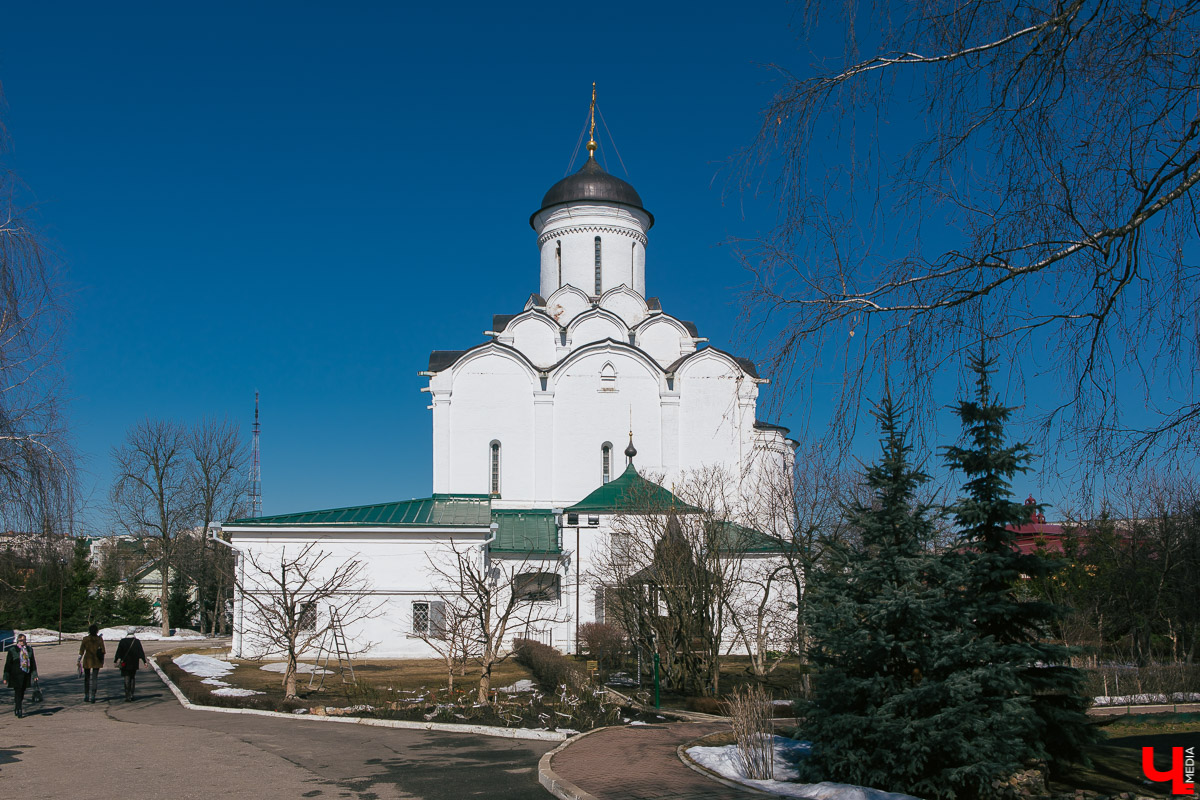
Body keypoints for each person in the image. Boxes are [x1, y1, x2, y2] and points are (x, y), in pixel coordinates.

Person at [3, 633, 39, 718]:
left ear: (25, 640)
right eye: (20, 640)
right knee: (18, 691)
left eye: (23, 640)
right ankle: (18, 708)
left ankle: (18, 705)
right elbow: (8, 664)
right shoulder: (13, 650)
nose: (21, 642)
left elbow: (33, 663)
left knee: (22, 691)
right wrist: (6, 677)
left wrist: (35, 675)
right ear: (17, 641)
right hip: (15, 675)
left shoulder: (29, 650)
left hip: (26, 674)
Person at [114, 628, 147, 701]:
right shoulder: (137, 641)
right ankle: (132, 694)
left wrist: (115, 660)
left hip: (125, 663)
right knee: (132, 677)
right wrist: (144, 661)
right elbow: (140, 652)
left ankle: (127, 695)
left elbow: (119, 652)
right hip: (134, 662)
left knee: (126, 678)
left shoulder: (123, 641)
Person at [78, 623, 105, 703]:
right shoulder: (99, 639)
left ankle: (86, 695)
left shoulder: (85, 639)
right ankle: (93, 695)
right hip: (97, 660)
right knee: (95, 678)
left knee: (87, 678)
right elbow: (103, 650)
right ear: (97, 631)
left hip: (87, 660)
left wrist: (79, 659)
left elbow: (81, 650)